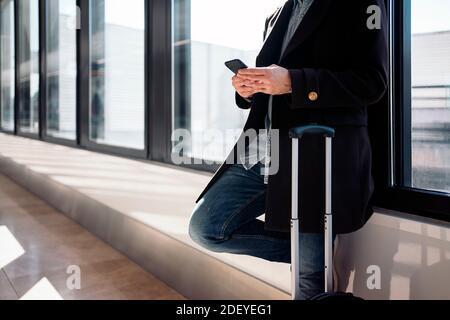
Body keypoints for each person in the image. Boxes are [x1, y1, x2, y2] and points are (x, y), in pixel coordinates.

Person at [189, 0, 388, 299]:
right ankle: (314, 254)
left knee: (307, 283)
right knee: (206, 228)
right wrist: (249, 89)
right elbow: (274, 85)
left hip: (316, 156)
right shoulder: (276, 15)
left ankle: (315, 260)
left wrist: (294, 82)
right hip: (264, 151)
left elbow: (372, 82)